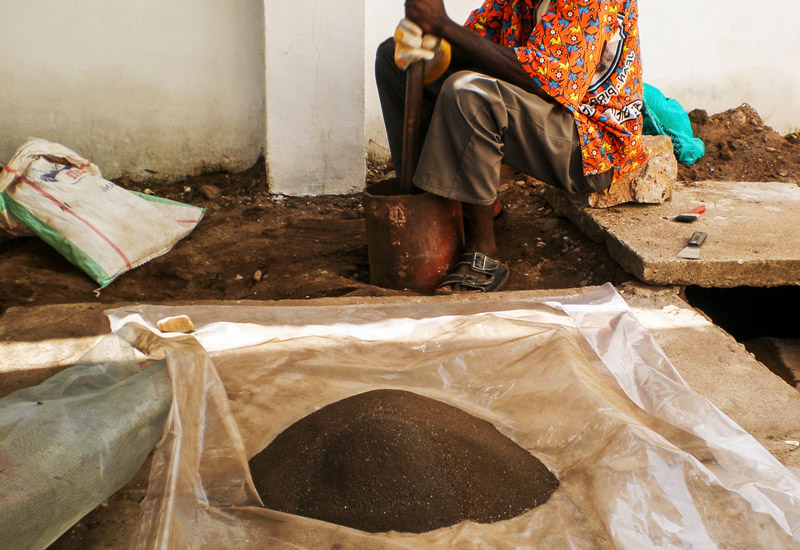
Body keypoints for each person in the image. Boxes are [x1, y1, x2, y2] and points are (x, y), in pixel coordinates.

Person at [375, 0, 648, 293]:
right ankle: (426, 206)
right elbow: (477, 43)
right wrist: (434, 42)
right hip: (543, 113)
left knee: (468, 93)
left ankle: (484, 253)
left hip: (591, 143)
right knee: (393, 57)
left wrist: (442, 24)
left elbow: (546, 79)